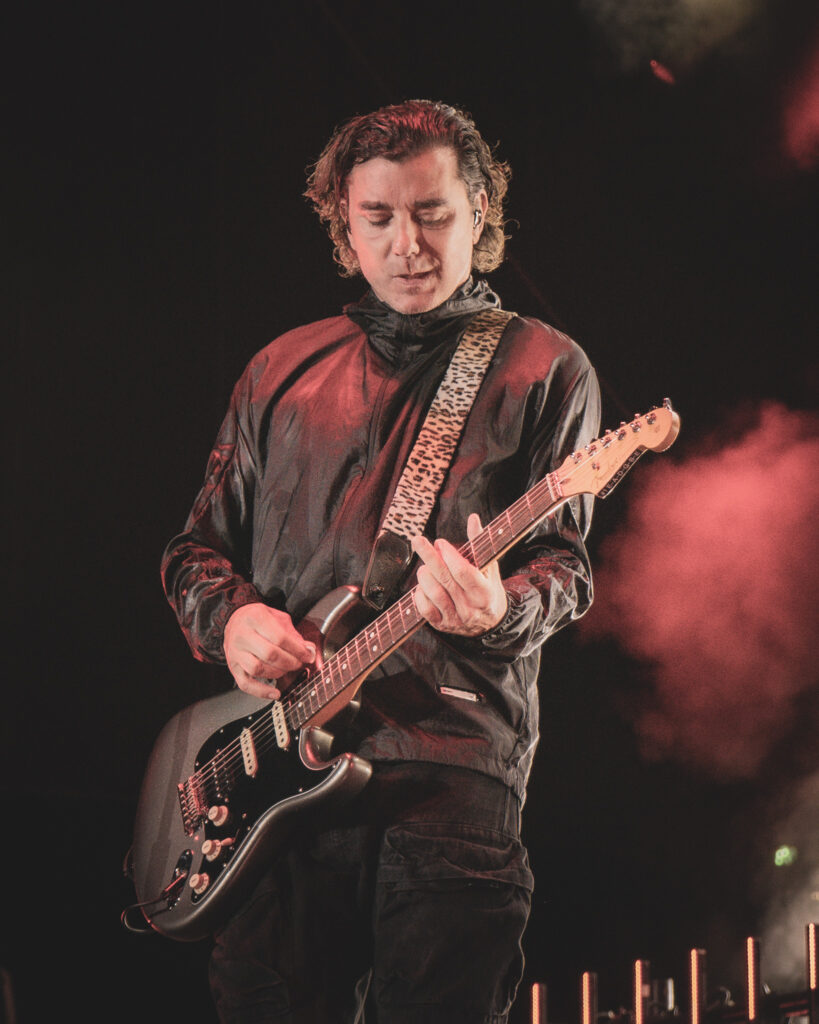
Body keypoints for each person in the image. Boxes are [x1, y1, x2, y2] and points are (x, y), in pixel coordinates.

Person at [161, 99, 601, 1024]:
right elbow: (196, 551)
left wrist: (498, 608)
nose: (408, 245)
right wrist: (234, 621)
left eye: (433, 214)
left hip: (446, 773)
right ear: (344, 225)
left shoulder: (542, 366)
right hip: (275, 772)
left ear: (479, 211)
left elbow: (563, 567)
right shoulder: (279, 369)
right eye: (379, 218)